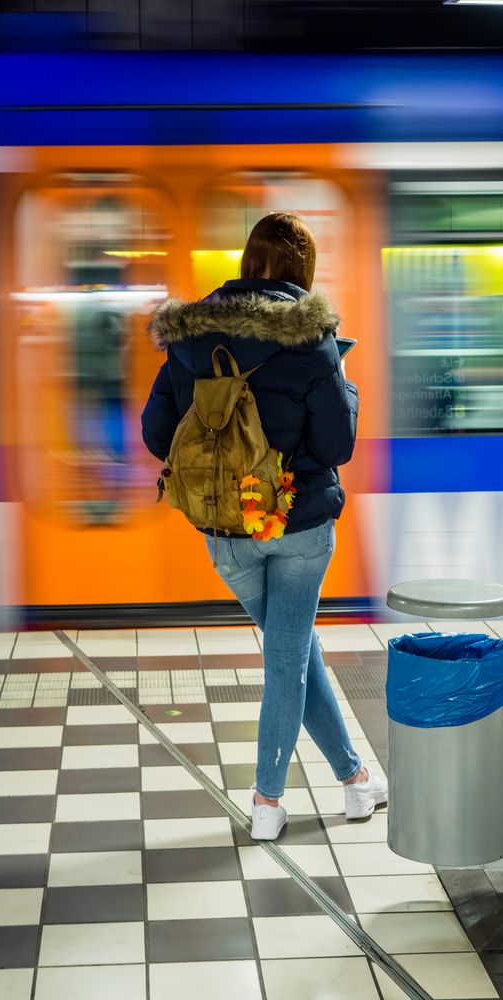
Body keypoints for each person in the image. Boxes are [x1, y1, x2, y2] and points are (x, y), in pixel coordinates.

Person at [141, 211, 387, 839]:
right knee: (287, 661)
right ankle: (267, 802)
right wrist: (346, 390)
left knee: (293, 649)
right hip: (297, 525)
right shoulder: (313, 338)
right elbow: (336, 444)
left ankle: (356, 780)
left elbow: (154, 434)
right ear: (303, 270)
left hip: (224, 531)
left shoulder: (190, 335)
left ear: (248, 262)